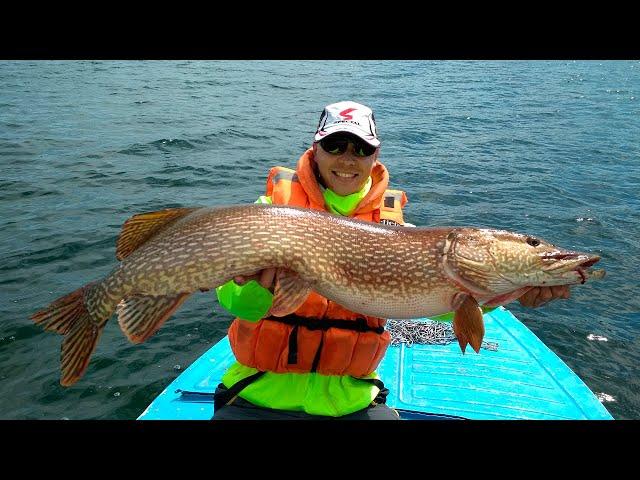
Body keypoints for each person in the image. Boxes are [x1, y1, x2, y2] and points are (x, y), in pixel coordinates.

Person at [211, 100, 571, 420]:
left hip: (352, 402)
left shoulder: (398, 231)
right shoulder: (270, 212)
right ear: (316, 149)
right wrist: (256, 284)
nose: (348, 158)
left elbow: (445, 305)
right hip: (257, 396)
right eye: (335, 145)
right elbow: (236, 303)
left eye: (361, 148)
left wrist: (503, 294)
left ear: (375, 155)